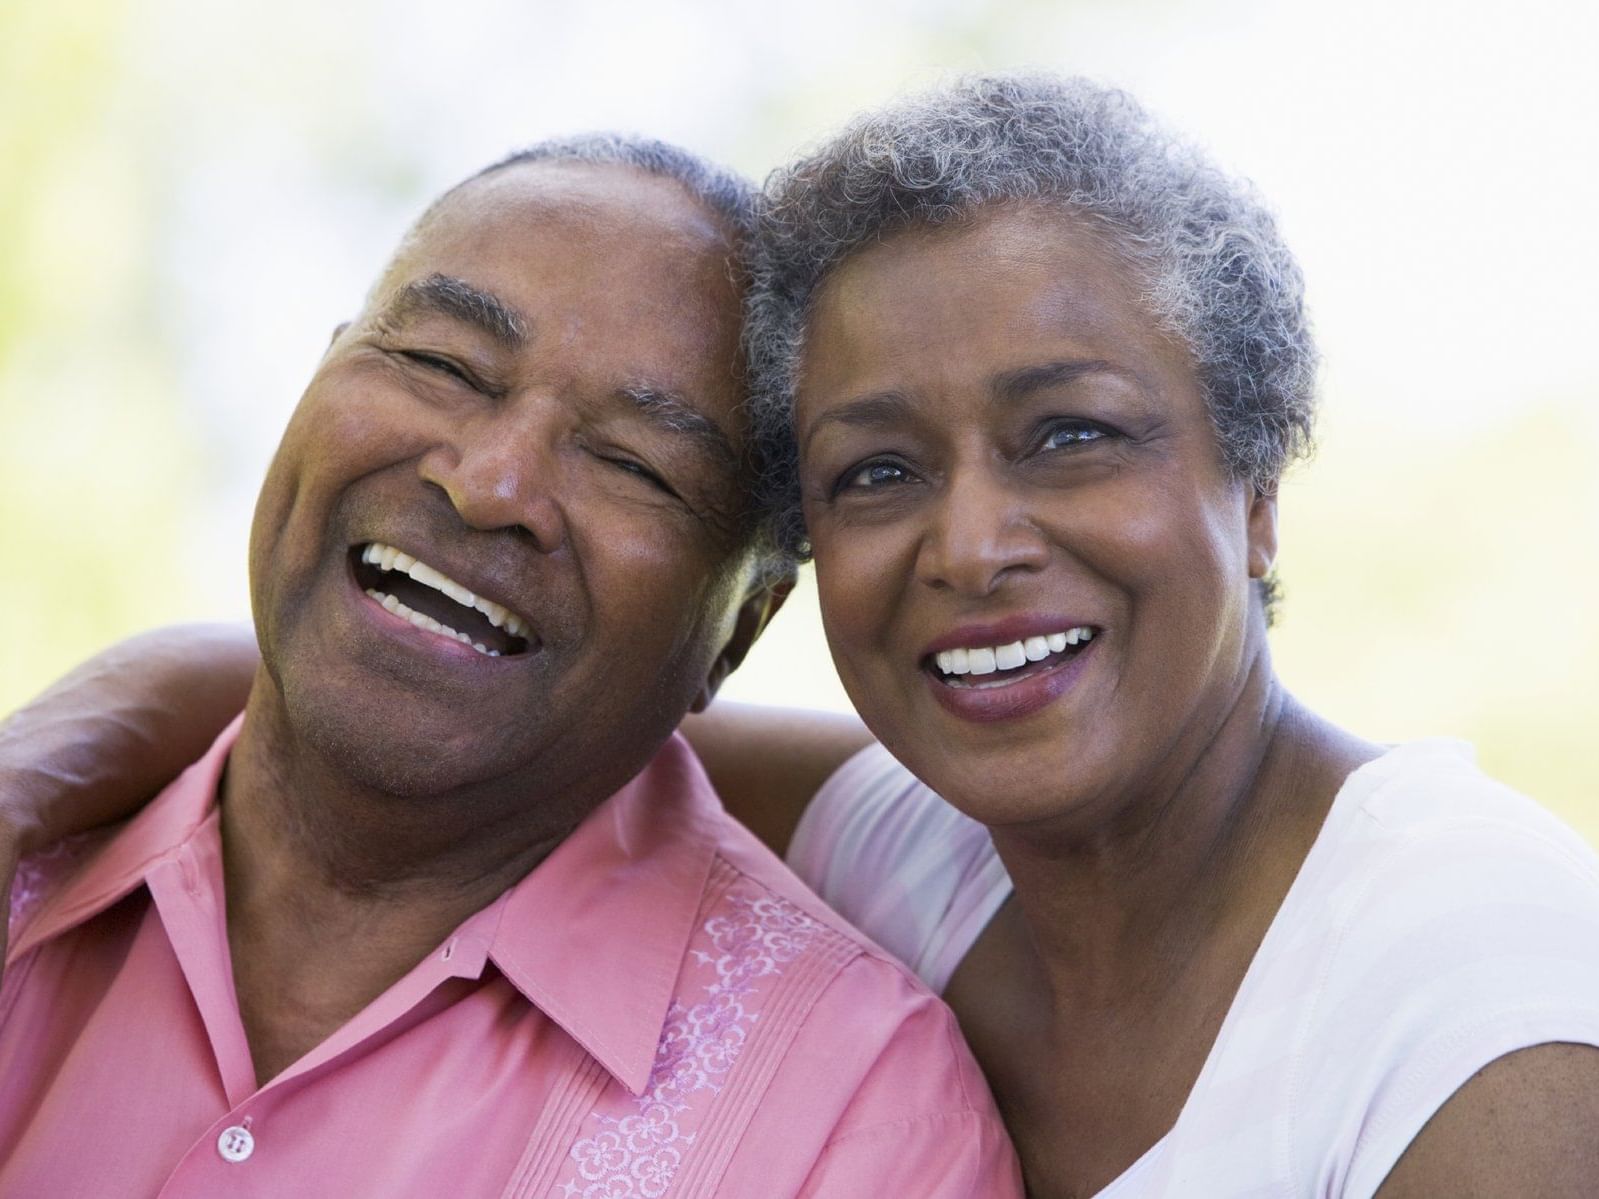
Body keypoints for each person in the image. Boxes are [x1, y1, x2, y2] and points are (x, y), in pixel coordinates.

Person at [7, 75, 1599, 1197]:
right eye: (877, 470)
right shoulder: (911, 841)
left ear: (1255, 491)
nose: (970, 542)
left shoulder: (1480, 988)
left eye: (1069, 435)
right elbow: (468, 689)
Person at [0, 134, 1020, 1198]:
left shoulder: (854, 1119)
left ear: (739, 631)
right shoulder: (34, 863)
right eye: (442, 364)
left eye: (634, 462)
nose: (492, 483)